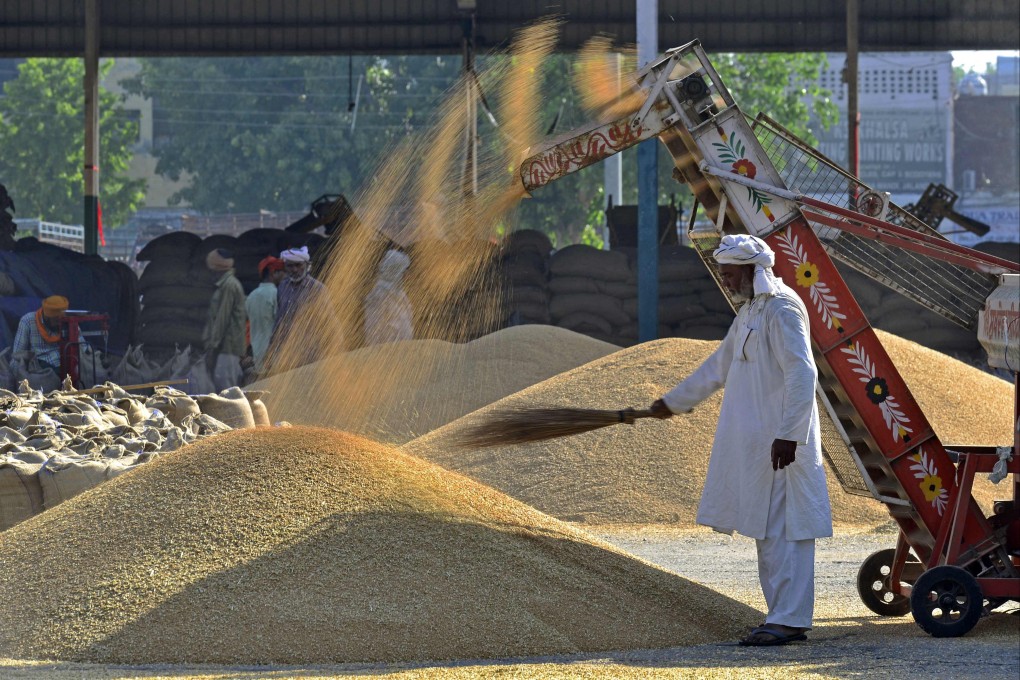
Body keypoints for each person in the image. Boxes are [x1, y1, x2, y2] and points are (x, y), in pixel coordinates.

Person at [648, 233, 832, 647]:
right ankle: (781, 618)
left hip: (784, 447)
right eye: (723, 274)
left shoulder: (783, 309)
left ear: (752, 270)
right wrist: (673, 403)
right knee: (767, 533)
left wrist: (789, 435)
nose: (726, 282)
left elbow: (803, 374)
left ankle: (789, 620)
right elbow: (718, 367)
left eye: (730, 274)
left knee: (789, 533)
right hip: (761, 449)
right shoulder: (750, 313)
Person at [202, 248, 247, 391]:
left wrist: (211, 346)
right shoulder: (226, 284)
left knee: (227, 392)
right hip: (225, 349)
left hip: (228, 349)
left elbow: (222, 319)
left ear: (217, 268)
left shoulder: (229, 286)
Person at [363, 248, 413, 345]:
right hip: (386, 354)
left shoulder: (402, 295)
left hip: (404, 352)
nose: (407, 276)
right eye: (403, 271)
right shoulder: (379, 296)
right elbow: (372, 331)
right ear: (394, 271)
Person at [245, 255, 284, 375]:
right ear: (274, 273)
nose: (284, 276)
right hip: (273, 355)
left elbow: (248, 325)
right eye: (282, 272)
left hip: (258, 352)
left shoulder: (251, 296)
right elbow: (280, 324)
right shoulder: (275, 294)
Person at [12, 295, 71, 371]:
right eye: (56, 319)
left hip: (66, 364)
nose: (59, 322)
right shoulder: (28, 321)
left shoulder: (68, 321)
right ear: (47, 317)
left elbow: (82, 349)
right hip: (40, 369)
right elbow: (18, 354)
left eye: (61, 318)